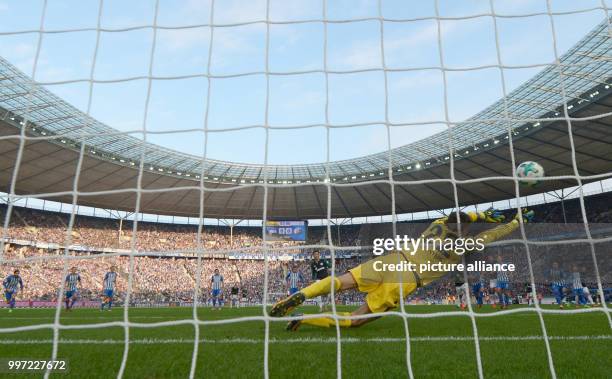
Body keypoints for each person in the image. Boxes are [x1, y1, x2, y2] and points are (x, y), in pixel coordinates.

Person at [271, 208, 532, 331]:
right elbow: (495, 234)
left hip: (392, 259)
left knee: (339, 281)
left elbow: (456, 215)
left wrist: (482, 215)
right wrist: (516, 221)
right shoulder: (465, 244)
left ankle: (296, 297)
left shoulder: (439, 223)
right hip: (406, 279)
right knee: (357, 319)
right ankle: (305, 318)